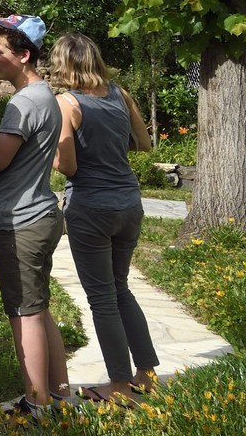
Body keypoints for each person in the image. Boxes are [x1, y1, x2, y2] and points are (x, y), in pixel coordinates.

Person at [52, 32, 159, 405]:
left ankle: (118, 386)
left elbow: (68, 165)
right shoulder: (120, 94)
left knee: (102, 298)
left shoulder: (66, 103)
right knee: (120, 288)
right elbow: (144, 143)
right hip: (129, 202)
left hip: (91, 207)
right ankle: (146, 375)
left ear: (63, 64)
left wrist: (51, 155)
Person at [0, 14, 68, 417]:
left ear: (24, 55)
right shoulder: (44, 95)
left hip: (21, 223)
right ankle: (59, 395)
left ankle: (36, 404)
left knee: (24, 314)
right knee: (39, 310)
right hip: (41, 215)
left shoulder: (23, 103)